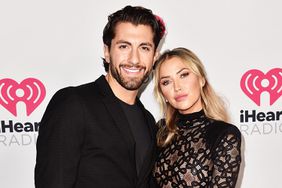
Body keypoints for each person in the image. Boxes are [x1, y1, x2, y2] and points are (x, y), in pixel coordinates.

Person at [35, 5, 166, 188]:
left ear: (154, 57)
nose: (134, 59)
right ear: (107, 51)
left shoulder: (148, 121)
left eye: (144, 48)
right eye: (124, 46)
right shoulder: (74, 103)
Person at [152, 47, 241, 187]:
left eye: (184, 75)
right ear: (163, 94)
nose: (177, 87)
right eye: (166, 82)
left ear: (201, 80)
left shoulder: (224, 134)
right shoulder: (160, 130)